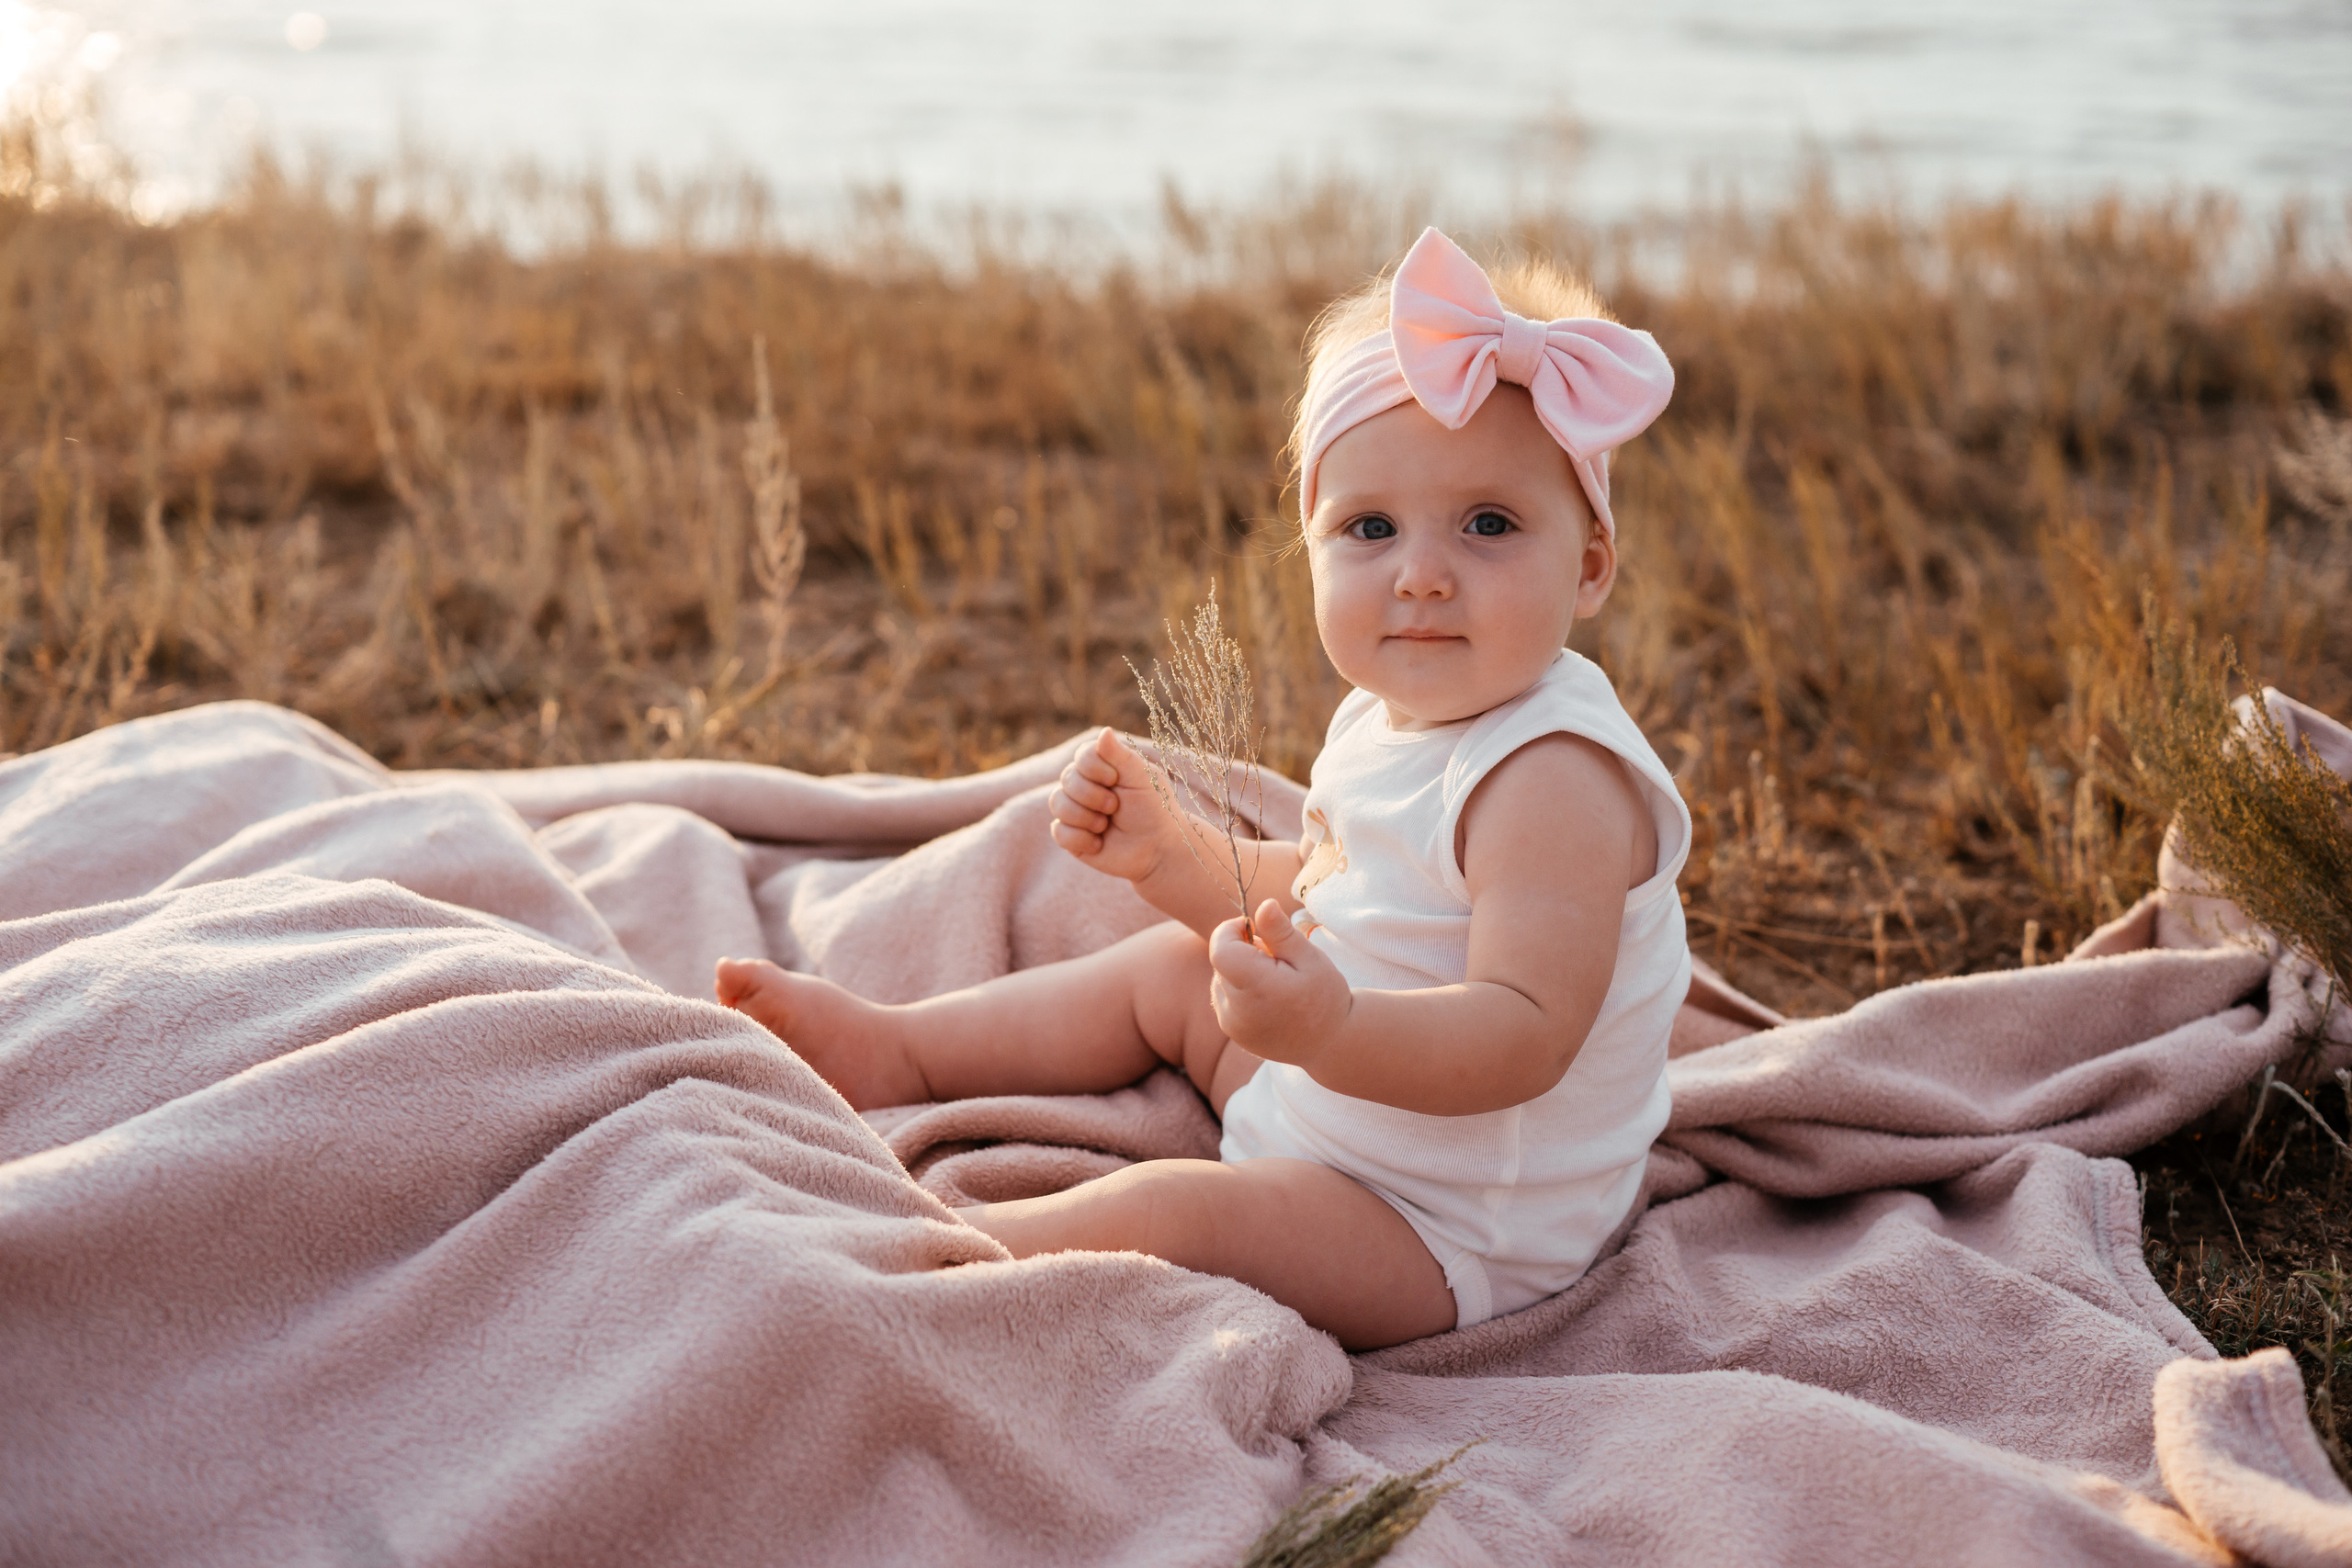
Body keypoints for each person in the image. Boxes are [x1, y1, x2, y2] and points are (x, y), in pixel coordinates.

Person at [716, 228, 1690, 1350]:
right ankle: (904, 1050)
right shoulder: (1391, 716)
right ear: (1312, 552)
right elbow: (1330, 888)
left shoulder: (1553, 779)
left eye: (1489, 525)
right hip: (1338, 1098)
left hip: (1452, 1224)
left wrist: (1329, 1027)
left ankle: (935, 1255)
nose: (1422, 572)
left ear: (1590, 564)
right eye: (1369, 528)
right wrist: (1170, 858)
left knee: (1178, 1213)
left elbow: (1524, 1034)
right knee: (1170, 970)